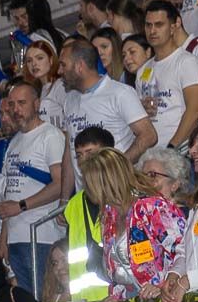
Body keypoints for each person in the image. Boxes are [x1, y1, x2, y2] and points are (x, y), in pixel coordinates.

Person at [82, 148, 187, 302]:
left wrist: (164, 285)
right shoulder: (108, 216)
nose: (86, 188)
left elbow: (186, 249)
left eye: (89, 182)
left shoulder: (152, 207)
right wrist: (116, 296)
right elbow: (120, 269)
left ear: (106, 181)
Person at [59, 39, 157, 196]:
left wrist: (115, 168)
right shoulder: (69, 101)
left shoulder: (119, 93)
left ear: (79, 66)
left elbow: (149, 135)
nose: (59, 71)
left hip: (118, 192)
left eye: (63, 65)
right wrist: (64, 199)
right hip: (85, 197)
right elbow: (69, 153)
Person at [0, 80, 65, 297]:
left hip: (42, 235)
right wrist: (4, 236)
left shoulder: (50, 135)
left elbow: (61, 183)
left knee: (42, 298)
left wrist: (21, 206)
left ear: (37, 104)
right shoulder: (14, 141)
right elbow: (11, 191)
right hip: (17, 237)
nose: (16, 110)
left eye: (22, 103)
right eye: (12, 105)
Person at [136, 1, 198, 149]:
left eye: (159, 25)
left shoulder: (186, 62)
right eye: (148, 25)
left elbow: (195, 111)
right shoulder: (142, 70)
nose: (152, 31)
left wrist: (173, 147)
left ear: (172, 27)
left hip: (180, 150)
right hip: (151, 153)